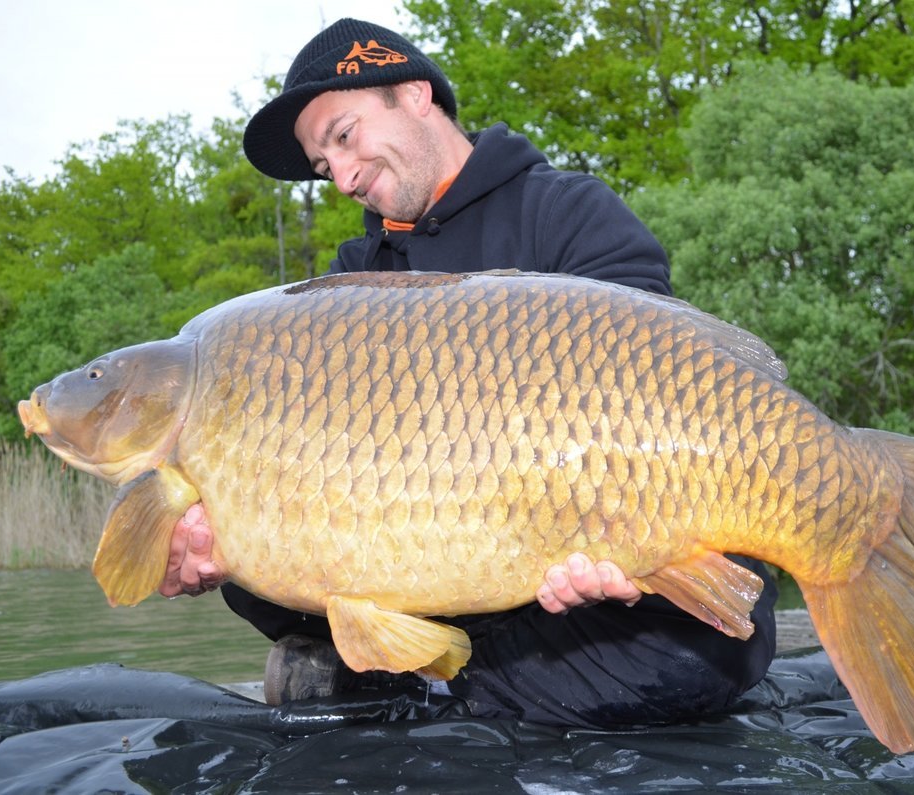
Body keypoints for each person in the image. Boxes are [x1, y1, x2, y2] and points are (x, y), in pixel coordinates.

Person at [161, 17, 777, 729]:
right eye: (324, 168)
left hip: (585, 574)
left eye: (343, 136)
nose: (344, 176)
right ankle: (440, 668)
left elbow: (670, 381)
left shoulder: (565, 211)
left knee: (695, 659)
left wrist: (632, 552)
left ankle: (423, 678)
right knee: (253, 551)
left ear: (416, 95)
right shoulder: (353, 283)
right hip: (435, 575)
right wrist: (215, 537)